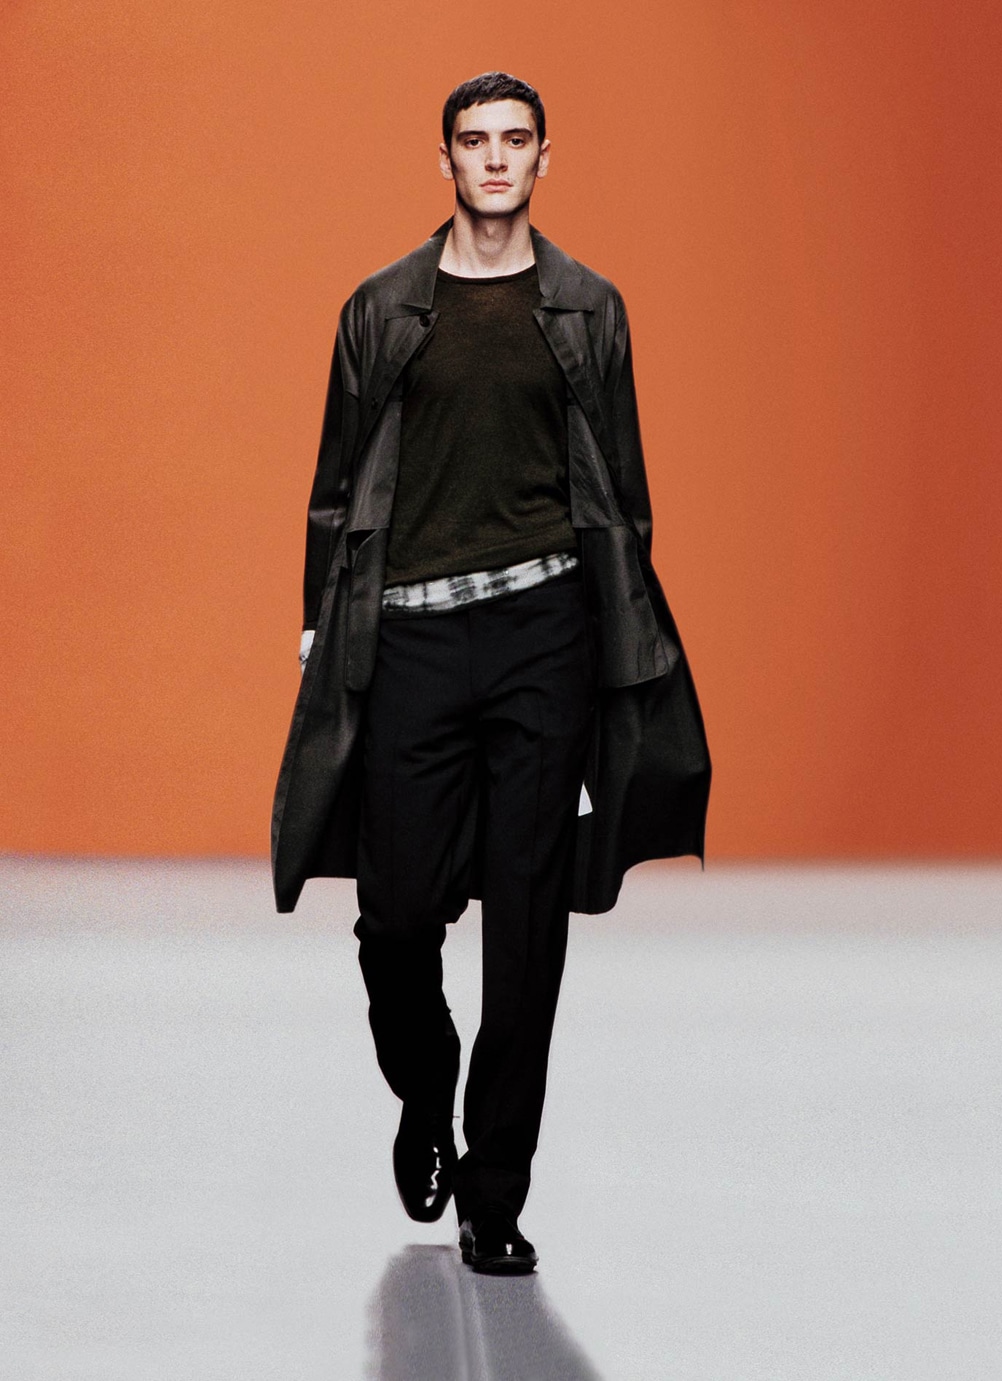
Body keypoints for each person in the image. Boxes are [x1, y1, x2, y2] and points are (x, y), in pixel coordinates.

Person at [271, 71, 711, 1274]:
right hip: (412, 635)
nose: (498, 158)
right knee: (396, 915)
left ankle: (495, 1192)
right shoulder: (380, 309)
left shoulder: (589, 309)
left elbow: (623, 492)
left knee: (528, 923)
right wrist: (321, 626)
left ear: (544, 158)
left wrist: (617, 640)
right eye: (476, 141)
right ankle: (428, 1089)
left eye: (517, 140)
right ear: (448, 162)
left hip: (542, 633)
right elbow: (333, 487)